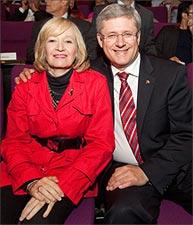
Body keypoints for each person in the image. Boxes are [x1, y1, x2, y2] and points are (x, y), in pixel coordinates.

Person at [14, 3, 192, 224]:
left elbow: (186, 135)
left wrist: (148, 172)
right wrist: (31, 75)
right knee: (122, 213)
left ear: (138, 37)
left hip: (175, 166)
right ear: (99, 40)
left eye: (127, 34)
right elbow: (53, 73)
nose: (119, 43)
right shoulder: (89, 76)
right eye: (111, 36)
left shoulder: (170, 74)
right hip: (122, 171)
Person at [0, 17, 114, 224]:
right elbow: (13, 141)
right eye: (52, 40)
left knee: (35, 222)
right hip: (25, 165)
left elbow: (101, 145)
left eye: (68, 41)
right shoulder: (25, 85)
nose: (60, 47)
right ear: (42, 47)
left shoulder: (95, 84)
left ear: (78, 49)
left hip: (71, 170)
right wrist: (32, 181)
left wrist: (66, 184)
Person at [87, 0, 157, 60]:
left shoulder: (146, 14)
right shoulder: (101, 11)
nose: (120, 43)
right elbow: (92, 42)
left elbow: (149, 45)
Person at [26, 0, 91, 64]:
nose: (46, 1)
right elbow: (31, 55)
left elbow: (89, 56)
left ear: (64, 1)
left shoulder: (83, 27)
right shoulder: (40, 26)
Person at [155, 1, 193, 65]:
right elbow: (154, 51)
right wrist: (168, 59)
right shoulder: (168, 31)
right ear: (184, 15)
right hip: (172, 68)